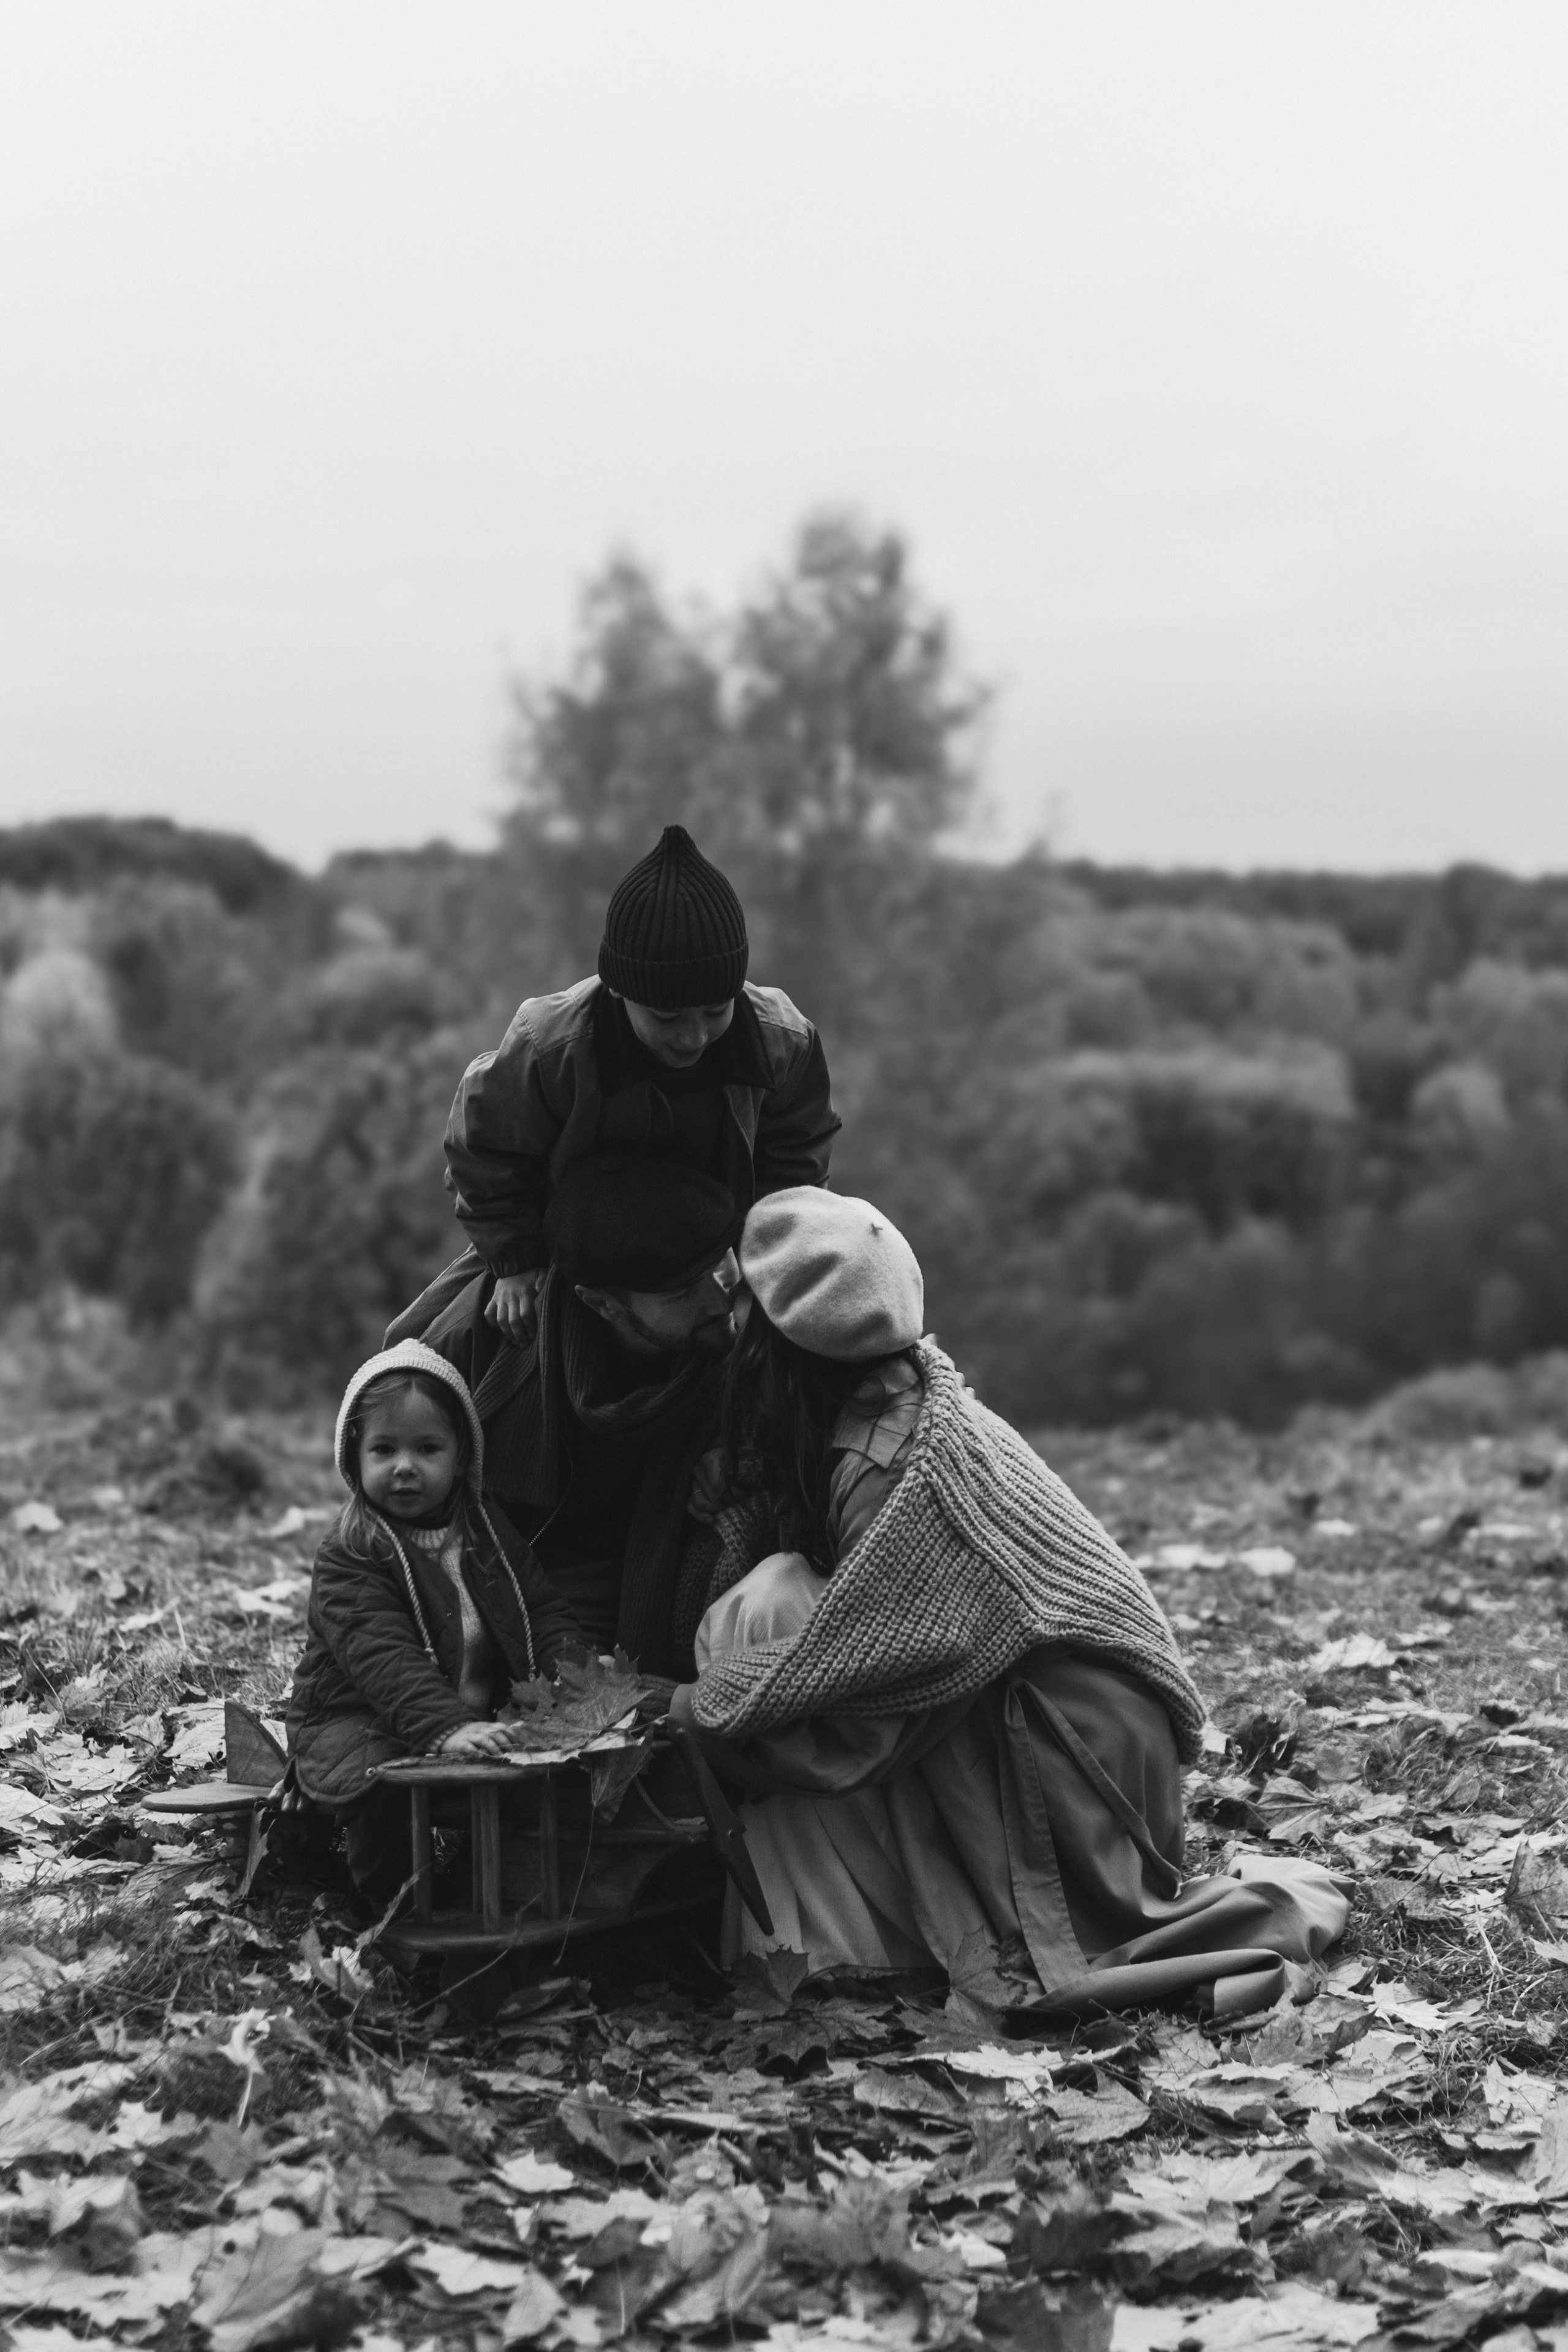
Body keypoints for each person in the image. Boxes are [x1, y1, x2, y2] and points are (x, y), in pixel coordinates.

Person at [671, 1191, 1348, 2021]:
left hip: (1077, 1751)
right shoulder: (892, 1396)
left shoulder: (901, 1475)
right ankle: (852, 1938)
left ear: (782, 1342)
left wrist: (689, 1709)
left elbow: (856, 1718)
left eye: (744, 1312)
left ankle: (848, 1950)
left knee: (767, 1622)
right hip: (1084, 1733)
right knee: (774, 1611)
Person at [388, 823, 839, 1354]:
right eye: (668, 1017)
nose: (693, 1037)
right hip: (568, 1247)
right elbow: (483, 1150)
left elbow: (798, 1165)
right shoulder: (549, 1048)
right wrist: (514, 1262)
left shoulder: (783, 1042)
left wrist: (764, 1261)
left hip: (716, 1249)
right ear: (621, 991)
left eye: (716, 1012)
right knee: (414, 1349)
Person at [416, 1152, 747, 1679]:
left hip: (654, 1571)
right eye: (683, 1291)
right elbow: (391, 1510)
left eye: (719, 1268)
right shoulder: (474, 1344)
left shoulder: (749, 1338)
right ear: (601, 1304)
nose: (718, 1299)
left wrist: (744, 1469)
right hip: (512, 1571)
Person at [286, 1340, 582, 1900]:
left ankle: (484, 1881)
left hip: (467, 1710)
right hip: (362, 1716)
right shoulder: (352, 1551)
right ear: (356, 1458)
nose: (405, 1467)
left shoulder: (486, 1530)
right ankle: (386, 1905)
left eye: (427, 1448)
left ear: (460, 1456)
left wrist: (576, 1678)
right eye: (384, 1450)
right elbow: (383, 1659)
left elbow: (539, 1610)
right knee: (379, 1786)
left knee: (535, 1771)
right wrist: (446, 1728)